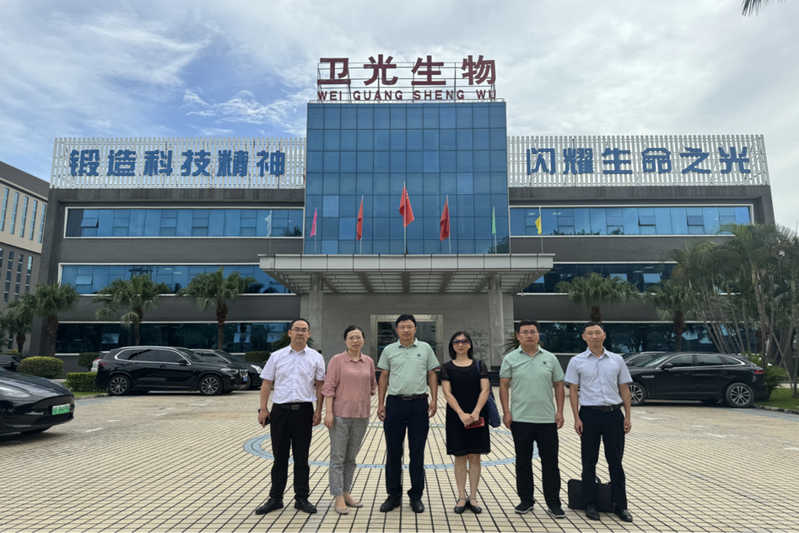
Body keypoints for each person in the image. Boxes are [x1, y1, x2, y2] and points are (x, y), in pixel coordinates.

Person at [564, 321, 633, 523]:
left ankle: (621, 506)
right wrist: (576, 417)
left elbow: (624, 389)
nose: (594, 336)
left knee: (616, 462)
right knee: (589, 461)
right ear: (583, 337)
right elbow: (573, 391)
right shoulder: (576, 361)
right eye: (590, 333)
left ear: (604, 335)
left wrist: (628, 416)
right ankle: (589, 503)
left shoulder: (617, 360)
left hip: (614, 415)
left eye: (597, 332)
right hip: (589, 415)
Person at [255, 318, 325, 515]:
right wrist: (263, 409)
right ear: (289, 333)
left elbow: (320, 385)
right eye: (296, 329)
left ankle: (301, 498)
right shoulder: (276, 356)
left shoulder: (316, 358)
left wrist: (319, 410)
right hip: (280, 412)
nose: (300, 333)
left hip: (304, 411)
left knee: (302, 457)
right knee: (280, 457)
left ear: (309, 334)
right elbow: (267, 383)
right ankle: (275, 498)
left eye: (304, 330)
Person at [499, 319, 566, 519]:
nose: (529, 335)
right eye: (525, 332)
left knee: (550, 462)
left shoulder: (550, 358)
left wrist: (560, 411)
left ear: (538, 335)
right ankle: (526, 500)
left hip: (546, 419)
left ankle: (553, 502)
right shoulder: (510, 359)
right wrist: (506, 412)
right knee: (523, 462)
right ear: (518, 336)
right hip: (520, 419)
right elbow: (503, 386)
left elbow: (559, 385)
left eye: (533, 332)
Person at [376, 314, 440, 514]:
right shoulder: (389, 350)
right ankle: (393, 495)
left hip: (419, 403)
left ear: (415, 329)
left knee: (417, 451)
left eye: (409, 326)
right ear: (397, 330)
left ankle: (416, 496)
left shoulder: (425, 348)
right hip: (394, 403)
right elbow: (384, 376)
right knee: (393, 451)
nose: (406, 330)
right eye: (402, 327)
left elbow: (432, 373)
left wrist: (434, 399)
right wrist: (380, 402)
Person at [322, 325, 377, 515]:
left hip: (361, 416)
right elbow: (329, 387)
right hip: (340, 416)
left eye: (358, 337)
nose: (355, 340)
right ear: (345, 340)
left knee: (351, 458)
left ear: (363, 339)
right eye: (351, 337)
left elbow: (372, 386)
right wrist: (328, 413)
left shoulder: (369, 361)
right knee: (338, 457)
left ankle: (346, 492)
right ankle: (337, 496)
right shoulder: (337, 360)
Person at [440, 331, 491, 514]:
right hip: (456, 416)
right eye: (456, 341)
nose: (460, 344)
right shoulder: (447, 367)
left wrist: (476, 411)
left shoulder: (479, 365)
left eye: (464, 341)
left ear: (470, 344)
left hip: (478, 415)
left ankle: (473, 496)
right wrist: (461, 413)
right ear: (452, 345)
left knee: (475, 457)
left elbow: (485, 390)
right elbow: (447, 393)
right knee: (460, 456)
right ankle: (461, 496)